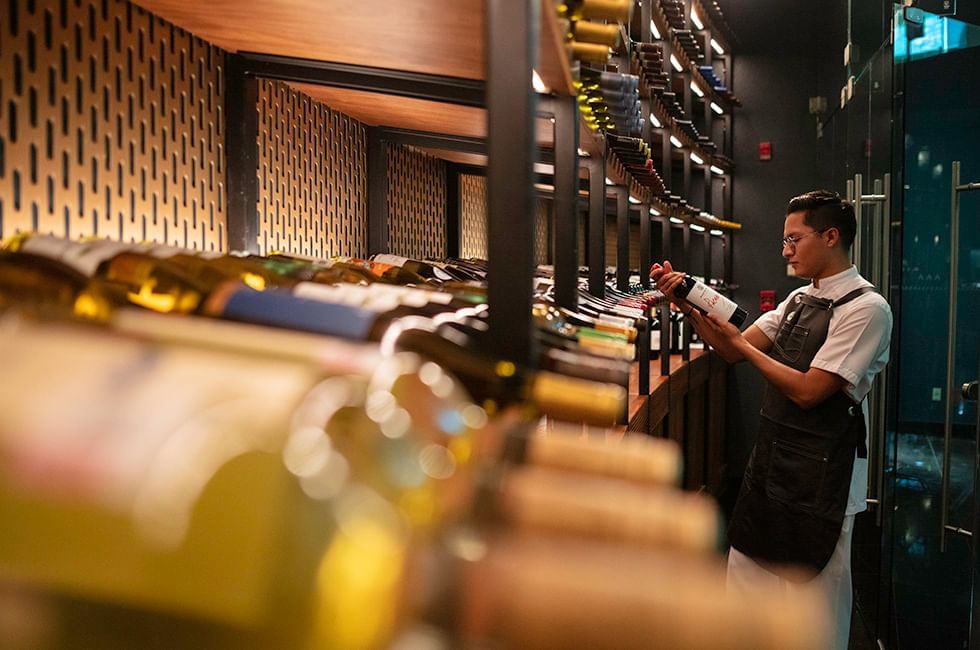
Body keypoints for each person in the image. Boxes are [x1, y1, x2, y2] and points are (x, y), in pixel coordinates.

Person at [651, 190, 892, 650]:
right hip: (772, 463)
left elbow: (809, 391)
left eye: (794, 239)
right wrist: (689, 305)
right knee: (745, 594)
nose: (785, 250)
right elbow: (731, 348)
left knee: (813, 614)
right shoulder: (799, 299)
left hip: (824, 476)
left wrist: (738, 343)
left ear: (831, 236)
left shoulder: (867, 310)